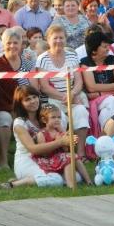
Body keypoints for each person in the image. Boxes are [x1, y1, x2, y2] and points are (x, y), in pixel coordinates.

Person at [0, 85, 71, 189]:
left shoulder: (46, 116)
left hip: (49, 158)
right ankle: (17, 183)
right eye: (27, 99)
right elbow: (33, 149)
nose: (33, 101)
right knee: (57, 179)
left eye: (34, 97)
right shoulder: (19, 123)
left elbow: (63, 139)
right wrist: (59, 142)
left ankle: (33, 179)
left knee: (75, 176)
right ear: (20, 104)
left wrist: (65, 136)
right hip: (27, 160)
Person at [36, 25, 89, 158]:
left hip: (73, 96)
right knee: (59, 120)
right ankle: (63, 154)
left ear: (66, 39)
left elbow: (79, 81)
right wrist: (65, 97)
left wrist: (72, 94)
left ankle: (81, 153)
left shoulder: (72, 55)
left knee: (81, 112)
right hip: (54, 99)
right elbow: (44, 87)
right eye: (55, 38)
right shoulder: (42, 59)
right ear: (48, 40)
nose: (58, 41)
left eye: (61, 37)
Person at [0, 27, 37, 169]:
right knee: (5, 119)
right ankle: (4, 159)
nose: (12, 46)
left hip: (26, 104)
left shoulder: (28, 64)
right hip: (3, 107)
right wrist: (11, 108)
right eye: (8, 43)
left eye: (16, 43)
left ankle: (37, 155)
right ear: (2, 44)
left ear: (21, 44)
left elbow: (34, 88)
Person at [80, 31, 114, 138]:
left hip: (108, 97)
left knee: (110, 106)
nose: (108, 49)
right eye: (104, 47)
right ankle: (109, 139)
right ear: (94, 50)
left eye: (108, 46)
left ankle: (103, 139)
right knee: (113, 101)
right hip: (94, 101)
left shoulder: (113, 60)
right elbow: (91, 87)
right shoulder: (85, 63)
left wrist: (99, 93)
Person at [33, 104, 92, 187]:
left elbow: (66, 150)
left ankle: (89, 181)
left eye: (59, 117)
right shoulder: (42, 134)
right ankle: (71, 185)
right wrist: (57, 141)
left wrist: (68, 140)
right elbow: (44, 153)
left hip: (61, 157)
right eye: (53, 117)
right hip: (49, 159)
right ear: (44, 120)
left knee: (74, 156)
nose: (57, 120)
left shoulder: (59, 131)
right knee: (68, 158)